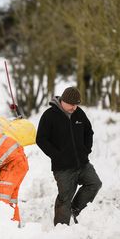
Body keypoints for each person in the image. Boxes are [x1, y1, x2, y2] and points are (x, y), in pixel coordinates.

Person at [36, 86, 102, 225]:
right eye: (72, 104)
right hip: (63, 167)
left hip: (82, 163)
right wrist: (56, 155)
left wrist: (86, 150)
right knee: (65, 198)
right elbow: (41, 139)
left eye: (77, 104)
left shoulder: (79, 114)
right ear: (63, 101)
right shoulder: (49, 115)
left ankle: (76, 209)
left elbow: (88, 132)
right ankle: (61, 228)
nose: (74, 107)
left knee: (94, 183)